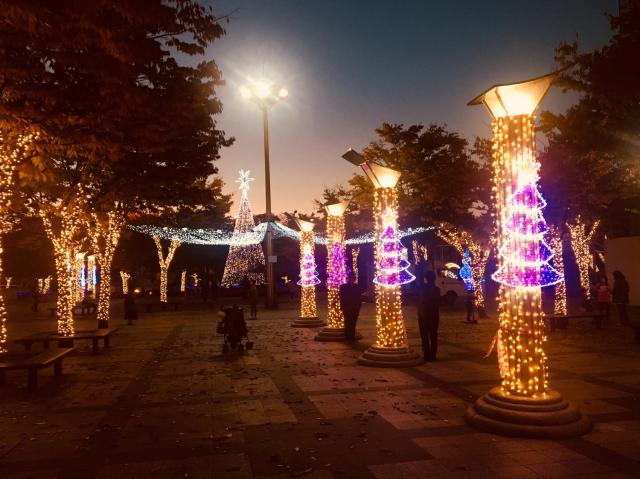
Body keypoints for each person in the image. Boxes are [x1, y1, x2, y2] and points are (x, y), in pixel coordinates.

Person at [418, 270, 441, 362]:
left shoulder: (422, 289)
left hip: (423, 315)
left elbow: (422, 300)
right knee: (433, 335)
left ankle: (426, 354)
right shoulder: (437, 290)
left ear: (426, 278)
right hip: (434, 315)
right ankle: (433, 354)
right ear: (434, 279)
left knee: (424, 335)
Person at [339, 272, 362, 341]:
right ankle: (348, 336)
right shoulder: (343, 287)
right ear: (348, 278)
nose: (352, 279)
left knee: (353, 322)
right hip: (347, 307)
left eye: (353, 278)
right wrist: (342, 306)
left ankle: (351, 335)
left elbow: (359, 297)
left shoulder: (357, 287)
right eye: (351, 278)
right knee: (348, 321)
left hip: (355, 307)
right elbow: (342, 297)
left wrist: (358, 306)